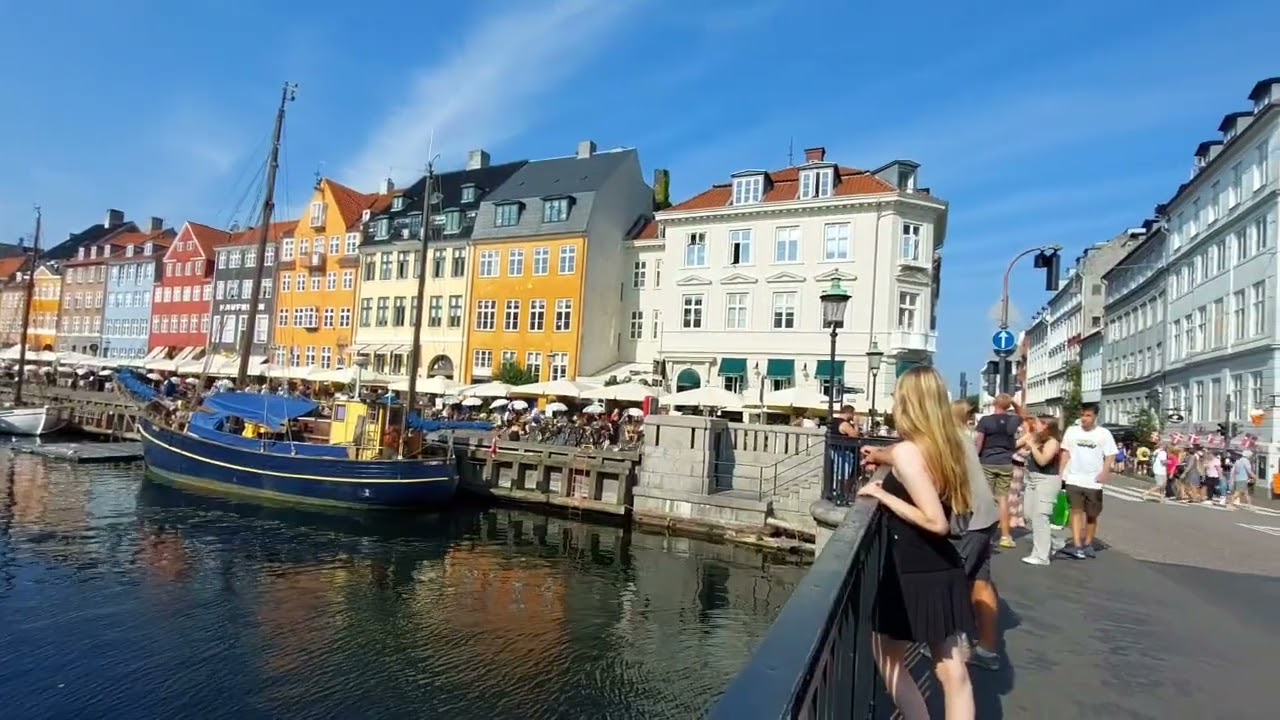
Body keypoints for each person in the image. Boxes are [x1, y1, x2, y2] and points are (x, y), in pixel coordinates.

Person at [857, 366, 975, 720]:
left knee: (887, 656)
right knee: (954, 674)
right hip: (943, 567)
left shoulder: (910, 452)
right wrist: (881, 455)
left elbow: (935, 521)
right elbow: (905, 459)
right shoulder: (946, 445)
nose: (893, 404)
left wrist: (881, 493)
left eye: (896, 398)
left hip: (911, 570)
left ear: (908, 403)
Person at [1059, 404, 1116, 559]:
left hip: (1093, 481)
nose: (1084, 418)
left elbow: (1110, 455)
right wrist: (1061, 473)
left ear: (1095, 416)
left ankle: (1088, 543)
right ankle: (1077, 545)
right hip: (1074, 478)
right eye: (1083, 415)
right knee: (1075, 511)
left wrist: (1105, 472)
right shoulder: (1072, 431)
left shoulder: (1103, 434)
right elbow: (1065, 452)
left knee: (1092, 515)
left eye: (1088, 415)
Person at [975, 394, 1021, 549]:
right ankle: (1005, 536)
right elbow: (1023, 414)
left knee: (986, 498)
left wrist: (975, 459)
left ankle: (985, 536)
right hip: (1006, 462)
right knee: (1002, 499)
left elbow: (979, 442)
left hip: (988, 461)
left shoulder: (985, 421)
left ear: (994, 403)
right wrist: (1014, 402)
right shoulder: (1013, 420)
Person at [1018, 414, 1062, 566]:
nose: (1034, 426)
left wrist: (1033, 446)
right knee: (1028, 515)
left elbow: (1043, 461)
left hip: (1046, 481)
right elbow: (1014, 445)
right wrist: (1026, 438)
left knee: (1040, 516)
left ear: (1046, 426)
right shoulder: (1034, 438)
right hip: (1031, 480)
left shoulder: (1053, 442)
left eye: (1037, 423)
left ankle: (1041, 556)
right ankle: (1053, 543)